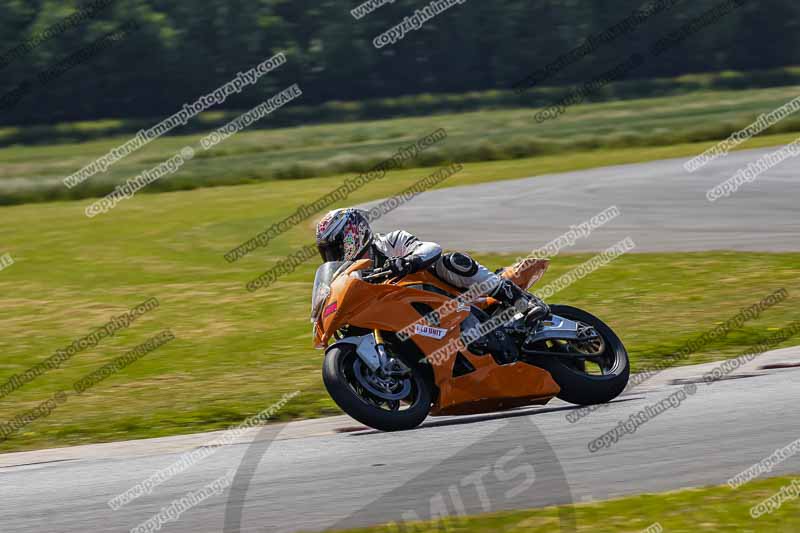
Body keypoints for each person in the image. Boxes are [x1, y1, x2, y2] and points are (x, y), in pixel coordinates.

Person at [314, 208, 546, 324]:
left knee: (451, 261)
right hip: (416, 319)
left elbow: (431, 248)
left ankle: (518, 299)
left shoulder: (391, 242)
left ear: (354, 234)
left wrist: (407, 262)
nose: (332, 255)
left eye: (335, 248)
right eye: (327, 251)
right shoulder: (349, 275)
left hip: (455, 297)